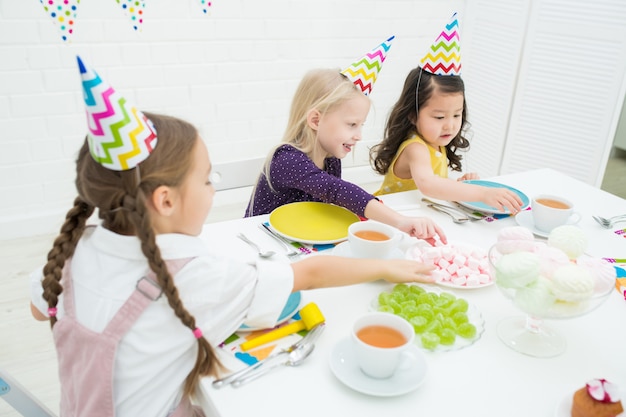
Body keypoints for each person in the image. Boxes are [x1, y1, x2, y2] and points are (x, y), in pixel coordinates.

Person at [29, 56, 437, 417]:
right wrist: (386, 265)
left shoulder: (74, 250)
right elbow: (308, 275)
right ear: (166, 201)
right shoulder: (195, 275)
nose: (213, 189)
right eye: (208, 180)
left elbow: (38, 308)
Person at [245, 37, 447, 245]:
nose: (358, 135)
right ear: (316, 120)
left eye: (361, 125)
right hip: (261, 244)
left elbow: (331, 205)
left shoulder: (331, 159)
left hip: (300, 244)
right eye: (351, 124)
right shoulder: (286, 160)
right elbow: (337, 191)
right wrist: (400, 221)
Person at [370, 13, 523, 214]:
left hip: (416, 216)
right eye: (439, 117)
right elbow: (428, 185)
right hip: (387, 216)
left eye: (457, 115)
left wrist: (461, 186)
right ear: (413, 114)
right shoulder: (415, 148)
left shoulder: (435, 143)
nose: (450, 125)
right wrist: (481, 193)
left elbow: (434, 185)